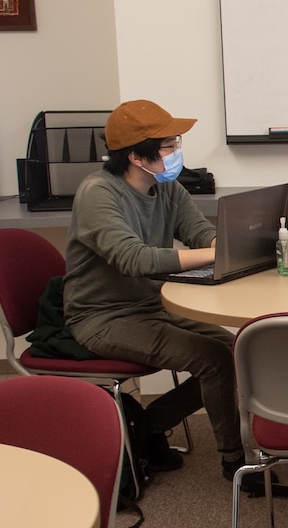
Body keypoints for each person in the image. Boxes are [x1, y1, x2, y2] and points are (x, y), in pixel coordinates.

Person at [63, 99, 245, 481]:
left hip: (152, 305)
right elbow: (134, 260)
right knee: (213, 357)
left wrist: (225, 245)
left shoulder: (168, 188)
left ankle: (144, 426)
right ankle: (234, 461)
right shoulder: (98, 193)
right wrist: (214, 253)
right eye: (168, 145)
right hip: (102, 317)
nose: (176, 152)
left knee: (234, 350)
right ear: (135, 155)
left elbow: (200, 233)